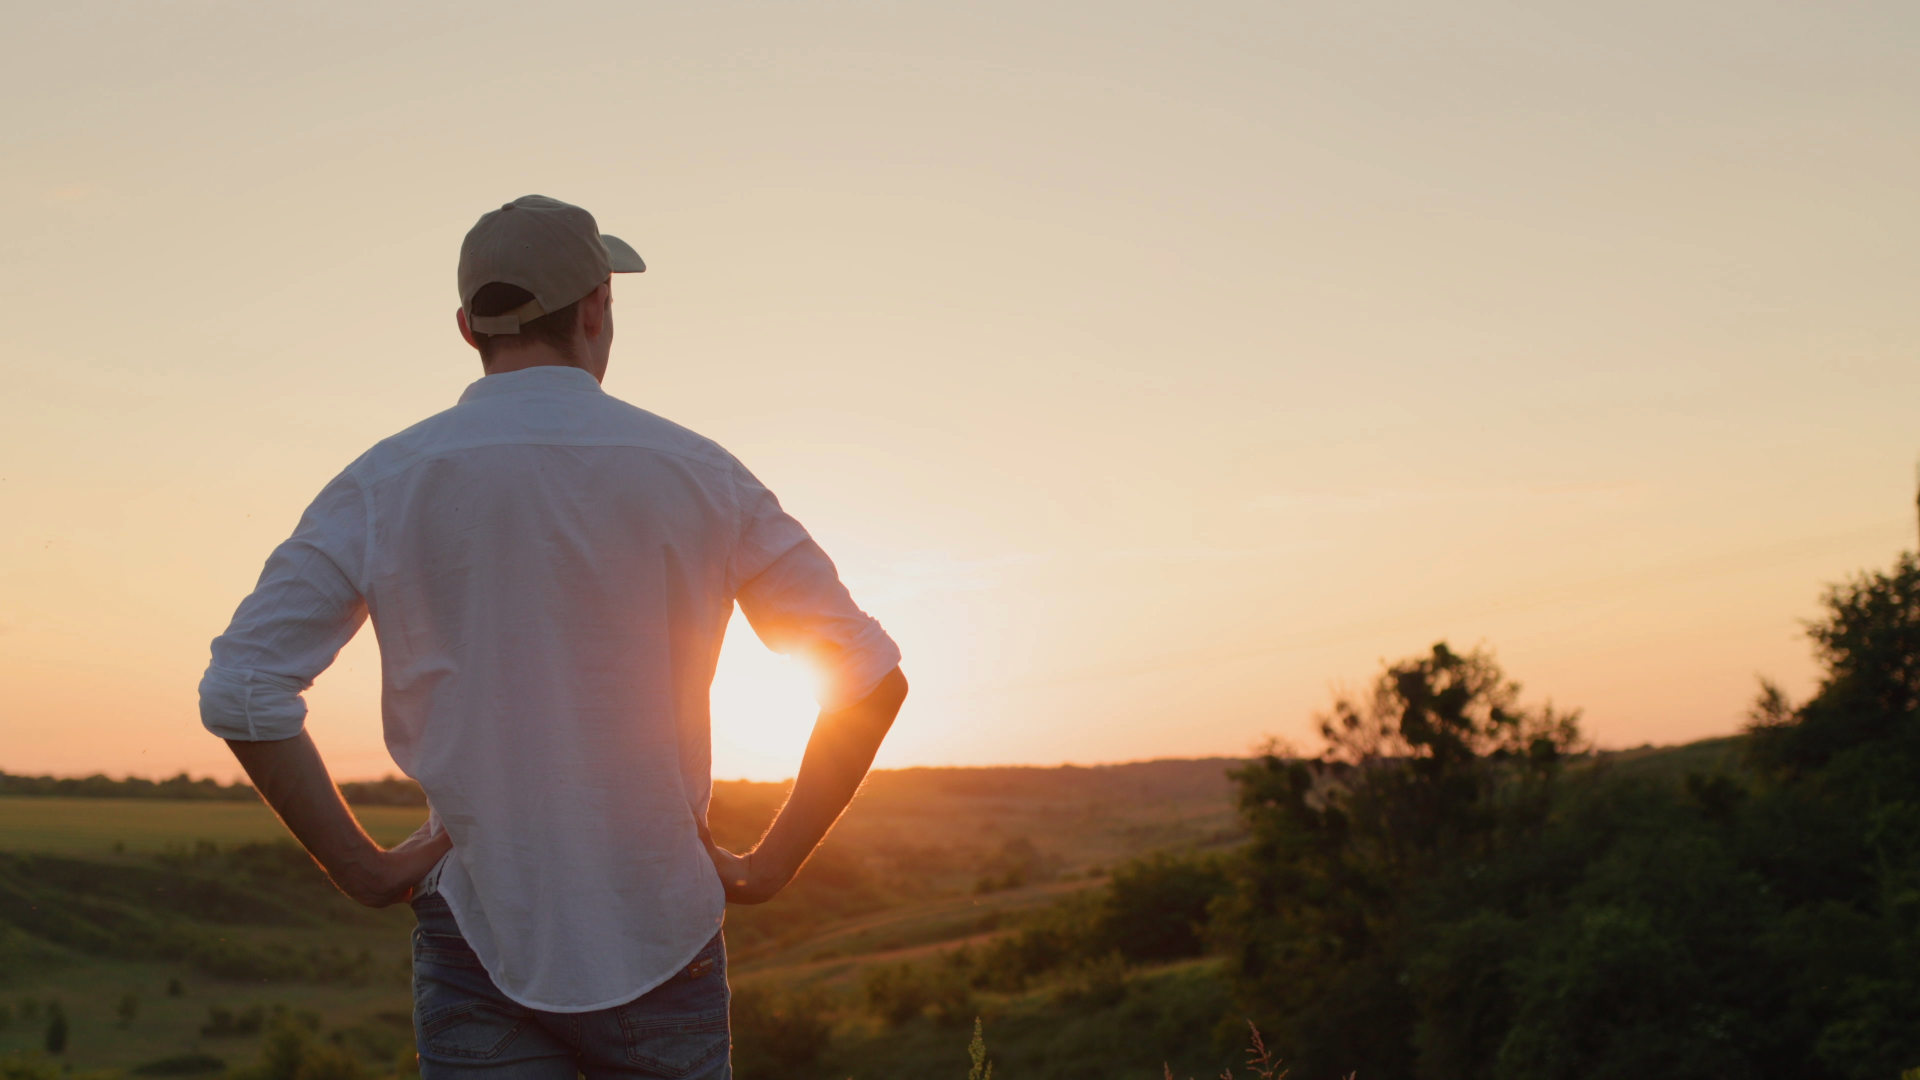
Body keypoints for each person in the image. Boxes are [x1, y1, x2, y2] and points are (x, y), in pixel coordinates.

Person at [198, 194, 907, 1080]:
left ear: (467, 327)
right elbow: (869, 678)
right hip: (664, 933)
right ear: (596, 309)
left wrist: (364, 870)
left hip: (478, 940)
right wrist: (770, 865)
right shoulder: (699, 473)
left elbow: (244, 689)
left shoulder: (388, 480)